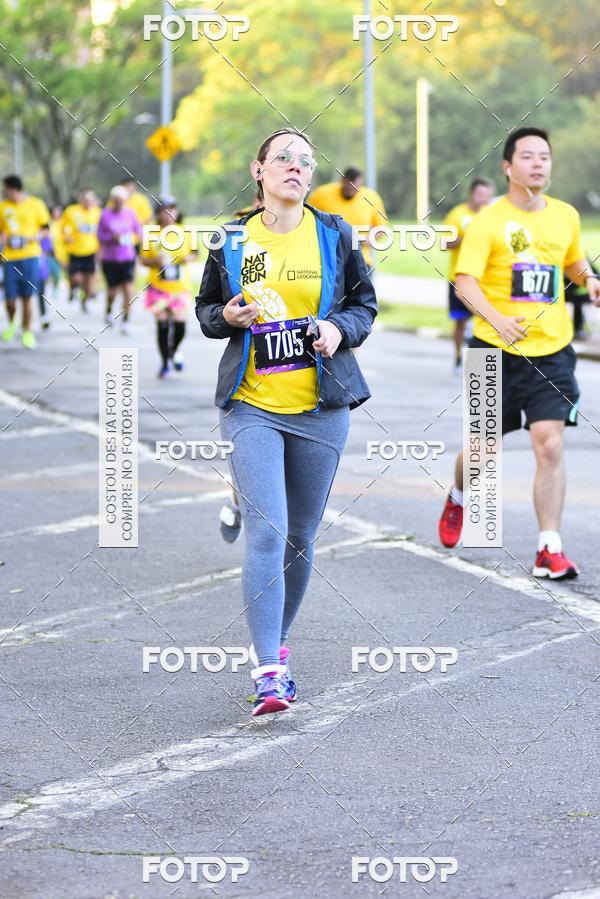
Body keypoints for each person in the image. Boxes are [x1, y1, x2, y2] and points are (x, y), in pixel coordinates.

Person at [196, 128, 377, 715]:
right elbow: (205, 311)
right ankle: (269, 670)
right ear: (259, 170)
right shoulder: (230, 238)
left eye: (306, 161)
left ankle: (279, 643)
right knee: (268, 532)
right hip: (251, 404)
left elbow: (364, 306)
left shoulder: (334, 234)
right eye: (284, 159)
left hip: (321, 408)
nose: (296, 168)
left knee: (300, 539)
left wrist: (336, 330)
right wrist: (225, 314)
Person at [438, 126, 600, 579]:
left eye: (545, 156)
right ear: (508, 167)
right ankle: (458, 496)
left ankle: (550, 547)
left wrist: (588, 278)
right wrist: (495, 318)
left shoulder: (565, 215)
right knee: (482, 453)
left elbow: (570, 259)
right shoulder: (487, 220)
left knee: (550, 446)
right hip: (493, 349)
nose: (538, 164)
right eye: (528, 156)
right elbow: (465, 280)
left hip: (552, 350)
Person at [443, 177, 495, 371]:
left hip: (487, 279)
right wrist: (465, 238)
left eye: (487, 196)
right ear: (471, 194)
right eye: (480, 194)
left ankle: (480, 367)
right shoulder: (457, 214)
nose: (483, 199)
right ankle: (458, 357)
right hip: (460, 277)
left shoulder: (493, 215)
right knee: (460, 321)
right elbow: (444, 243)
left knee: (486, 320)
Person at [140, 196, 195, 378]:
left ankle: (173, 351)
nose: (169, 214)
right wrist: (155, 261)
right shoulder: (151, 234)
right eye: (165, 210)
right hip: (158, 287)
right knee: (163, 326)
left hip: (179, 288)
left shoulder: (185, 232)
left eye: (172, 209)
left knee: (180, 326)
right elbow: (143, 260)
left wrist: (188, 258)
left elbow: (195, 253)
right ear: (158, 214)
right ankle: (165, 364)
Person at [0, 175, 50, 349]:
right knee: (10, 300)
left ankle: (27, 331)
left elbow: (45, 229)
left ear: (13, 189)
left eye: (5, 188)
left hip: (30, 256)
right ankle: (13, 321)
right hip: (9, 258)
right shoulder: (3, 207)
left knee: (27, 297)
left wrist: (34, 237)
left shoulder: (36, 204)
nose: (3, 192)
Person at [308, 167, 387, 271]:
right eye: (348, 187)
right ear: (342, 181)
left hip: (361, 261)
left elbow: (381, 229)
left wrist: (367, 239)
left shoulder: (371, 197)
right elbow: (306, 217)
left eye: (356, 188)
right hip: (328, 260)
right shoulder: (322, 194)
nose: (352, 191)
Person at [98, 186, 142, 334]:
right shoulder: (105, 215)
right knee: (112, 292)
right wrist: (111, 238)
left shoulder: (131, 214)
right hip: (110, 259)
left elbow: (139, 231)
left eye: (122, 201)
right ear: (112, 200)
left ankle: (125, 321)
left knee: (129, 292)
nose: (119, 203)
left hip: (127, 257)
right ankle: (109, 310)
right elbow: (100, 236)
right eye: (116, 201)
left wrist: (139, 242)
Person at [62, 189, 101, 312]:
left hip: (91, 251)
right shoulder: (71, 211)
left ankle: (84, 300)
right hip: (75, 250)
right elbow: (61, 227)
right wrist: (65, 237)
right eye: (85, 200)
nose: (87, 202)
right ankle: (73, 289)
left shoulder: (99, 213)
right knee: (76, 278)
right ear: (80, 200)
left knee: (88, 284)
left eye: (90, 200)